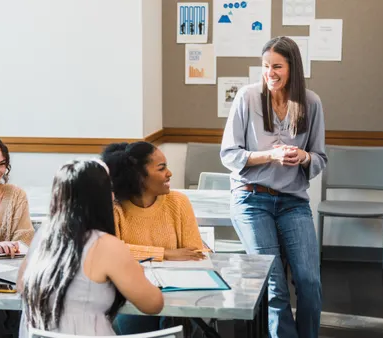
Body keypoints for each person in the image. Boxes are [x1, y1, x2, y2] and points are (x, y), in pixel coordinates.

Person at [220, 36, 327, 338]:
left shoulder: (311, 103)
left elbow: (320, 158)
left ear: (293, 68)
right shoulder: (247, 97)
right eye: (266, 66)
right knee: (275, 285)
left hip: (293, 201)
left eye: (277, 66)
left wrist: (304, 156)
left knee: (309, 283)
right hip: (251, 199)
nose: (270, 73)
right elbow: (229, 154)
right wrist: (270, 155)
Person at [17, 159, 163, 337]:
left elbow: (21, 285)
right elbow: (153, 304)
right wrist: (135, 273)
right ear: (101, 197)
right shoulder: (106, 245)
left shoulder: (43, 235)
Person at [101, 141, 205, 335]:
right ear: (138, 176)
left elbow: (194, 253)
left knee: (176, 320)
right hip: (130, 298)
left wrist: (137, 253)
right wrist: (166, 254)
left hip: (176, 295)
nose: (170, 173)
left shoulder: (178, 202)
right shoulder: (114, 209)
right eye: (161, 168)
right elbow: (110, 253)